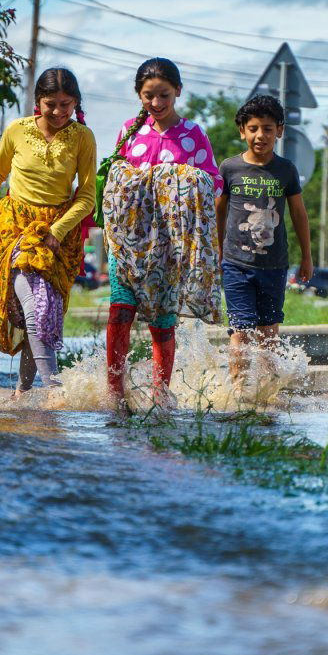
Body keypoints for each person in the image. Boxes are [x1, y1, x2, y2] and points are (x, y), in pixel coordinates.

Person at [0, 68, 96, 398]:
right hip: (15, 228)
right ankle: (56, 392)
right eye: (50, 104)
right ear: (37, 102)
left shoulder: (83, 137)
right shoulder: (17, 131)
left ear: (76, 103)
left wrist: (58, 230)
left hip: (58, 232)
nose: (58, 112)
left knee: (39, 315)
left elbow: (86, 196)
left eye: (66, 104)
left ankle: (21, 395)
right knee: (37, 308)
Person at [102, 58, 224, 415]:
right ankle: (114, 393)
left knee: (161, 319)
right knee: (119, 311)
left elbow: (212, 180)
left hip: (169, 246)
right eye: (148, 95)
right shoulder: (129, 131)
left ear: (178, 92)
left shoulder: (193, 134)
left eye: (163, 95)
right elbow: (115, 177)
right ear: (139, 95)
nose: (156, 103)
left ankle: (159, 395)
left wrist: (178, 176)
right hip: (127, 242)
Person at [216, 94, 313, 387]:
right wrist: (215, 252)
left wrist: (307, 256)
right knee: (240, 332)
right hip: (235, 264)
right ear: (242, 130)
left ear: (279, 131)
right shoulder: (229, 168)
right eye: (254, 128)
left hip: (274, 266)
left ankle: (267, 396)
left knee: (269, 335)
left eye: (268, 128)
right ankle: (237, 394)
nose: (261, 135)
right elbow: (218, 212)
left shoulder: (285, 170)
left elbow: (298, 213)